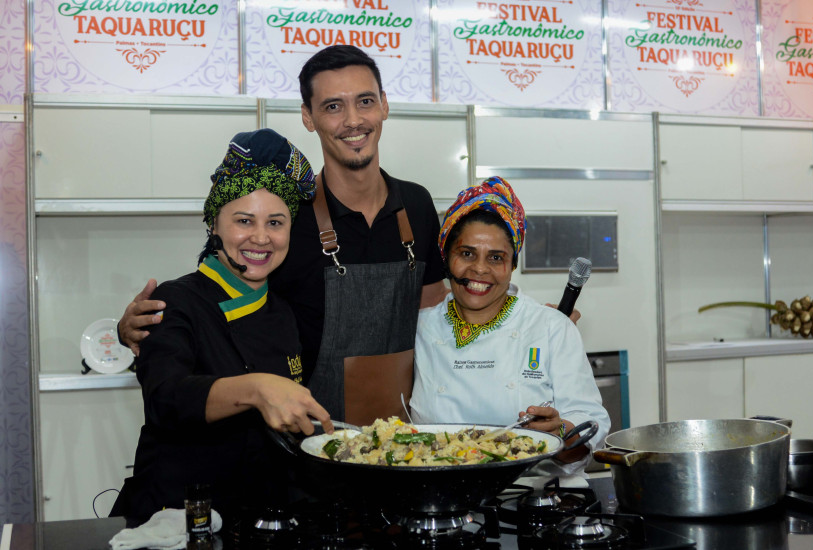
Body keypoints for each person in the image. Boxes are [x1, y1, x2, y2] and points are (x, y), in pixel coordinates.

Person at [117, 45, 447, 425]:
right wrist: (146, 327)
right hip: (308, 437)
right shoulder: (287, 217)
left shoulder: (417, 206)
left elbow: (433, 320)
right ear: (308, 117)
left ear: (385, 106)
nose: (353, 120)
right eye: (333, 106)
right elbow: (215, 299)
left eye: (365, 101)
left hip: (404, 432)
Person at [110, 129, 334, 522]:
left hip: (257, 513)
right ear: (214, 223)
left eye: (276, 223)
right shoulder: (175, 299)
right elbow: (166, 397)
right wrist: (256, 389)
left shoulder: (283, 311)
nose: (261, 237)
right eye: (244, 220)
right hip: (178, 515)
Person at [410, 176, 609, 483]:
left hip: (538, 497)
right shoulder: (419, 329)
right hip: (443, 497)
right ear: (446, 258)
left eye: (496, 258)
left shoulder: (551, 327)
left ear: (512, 265)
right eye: (466, 254)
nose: (479, 269)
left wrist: (560, 433)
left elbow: (588, 423)